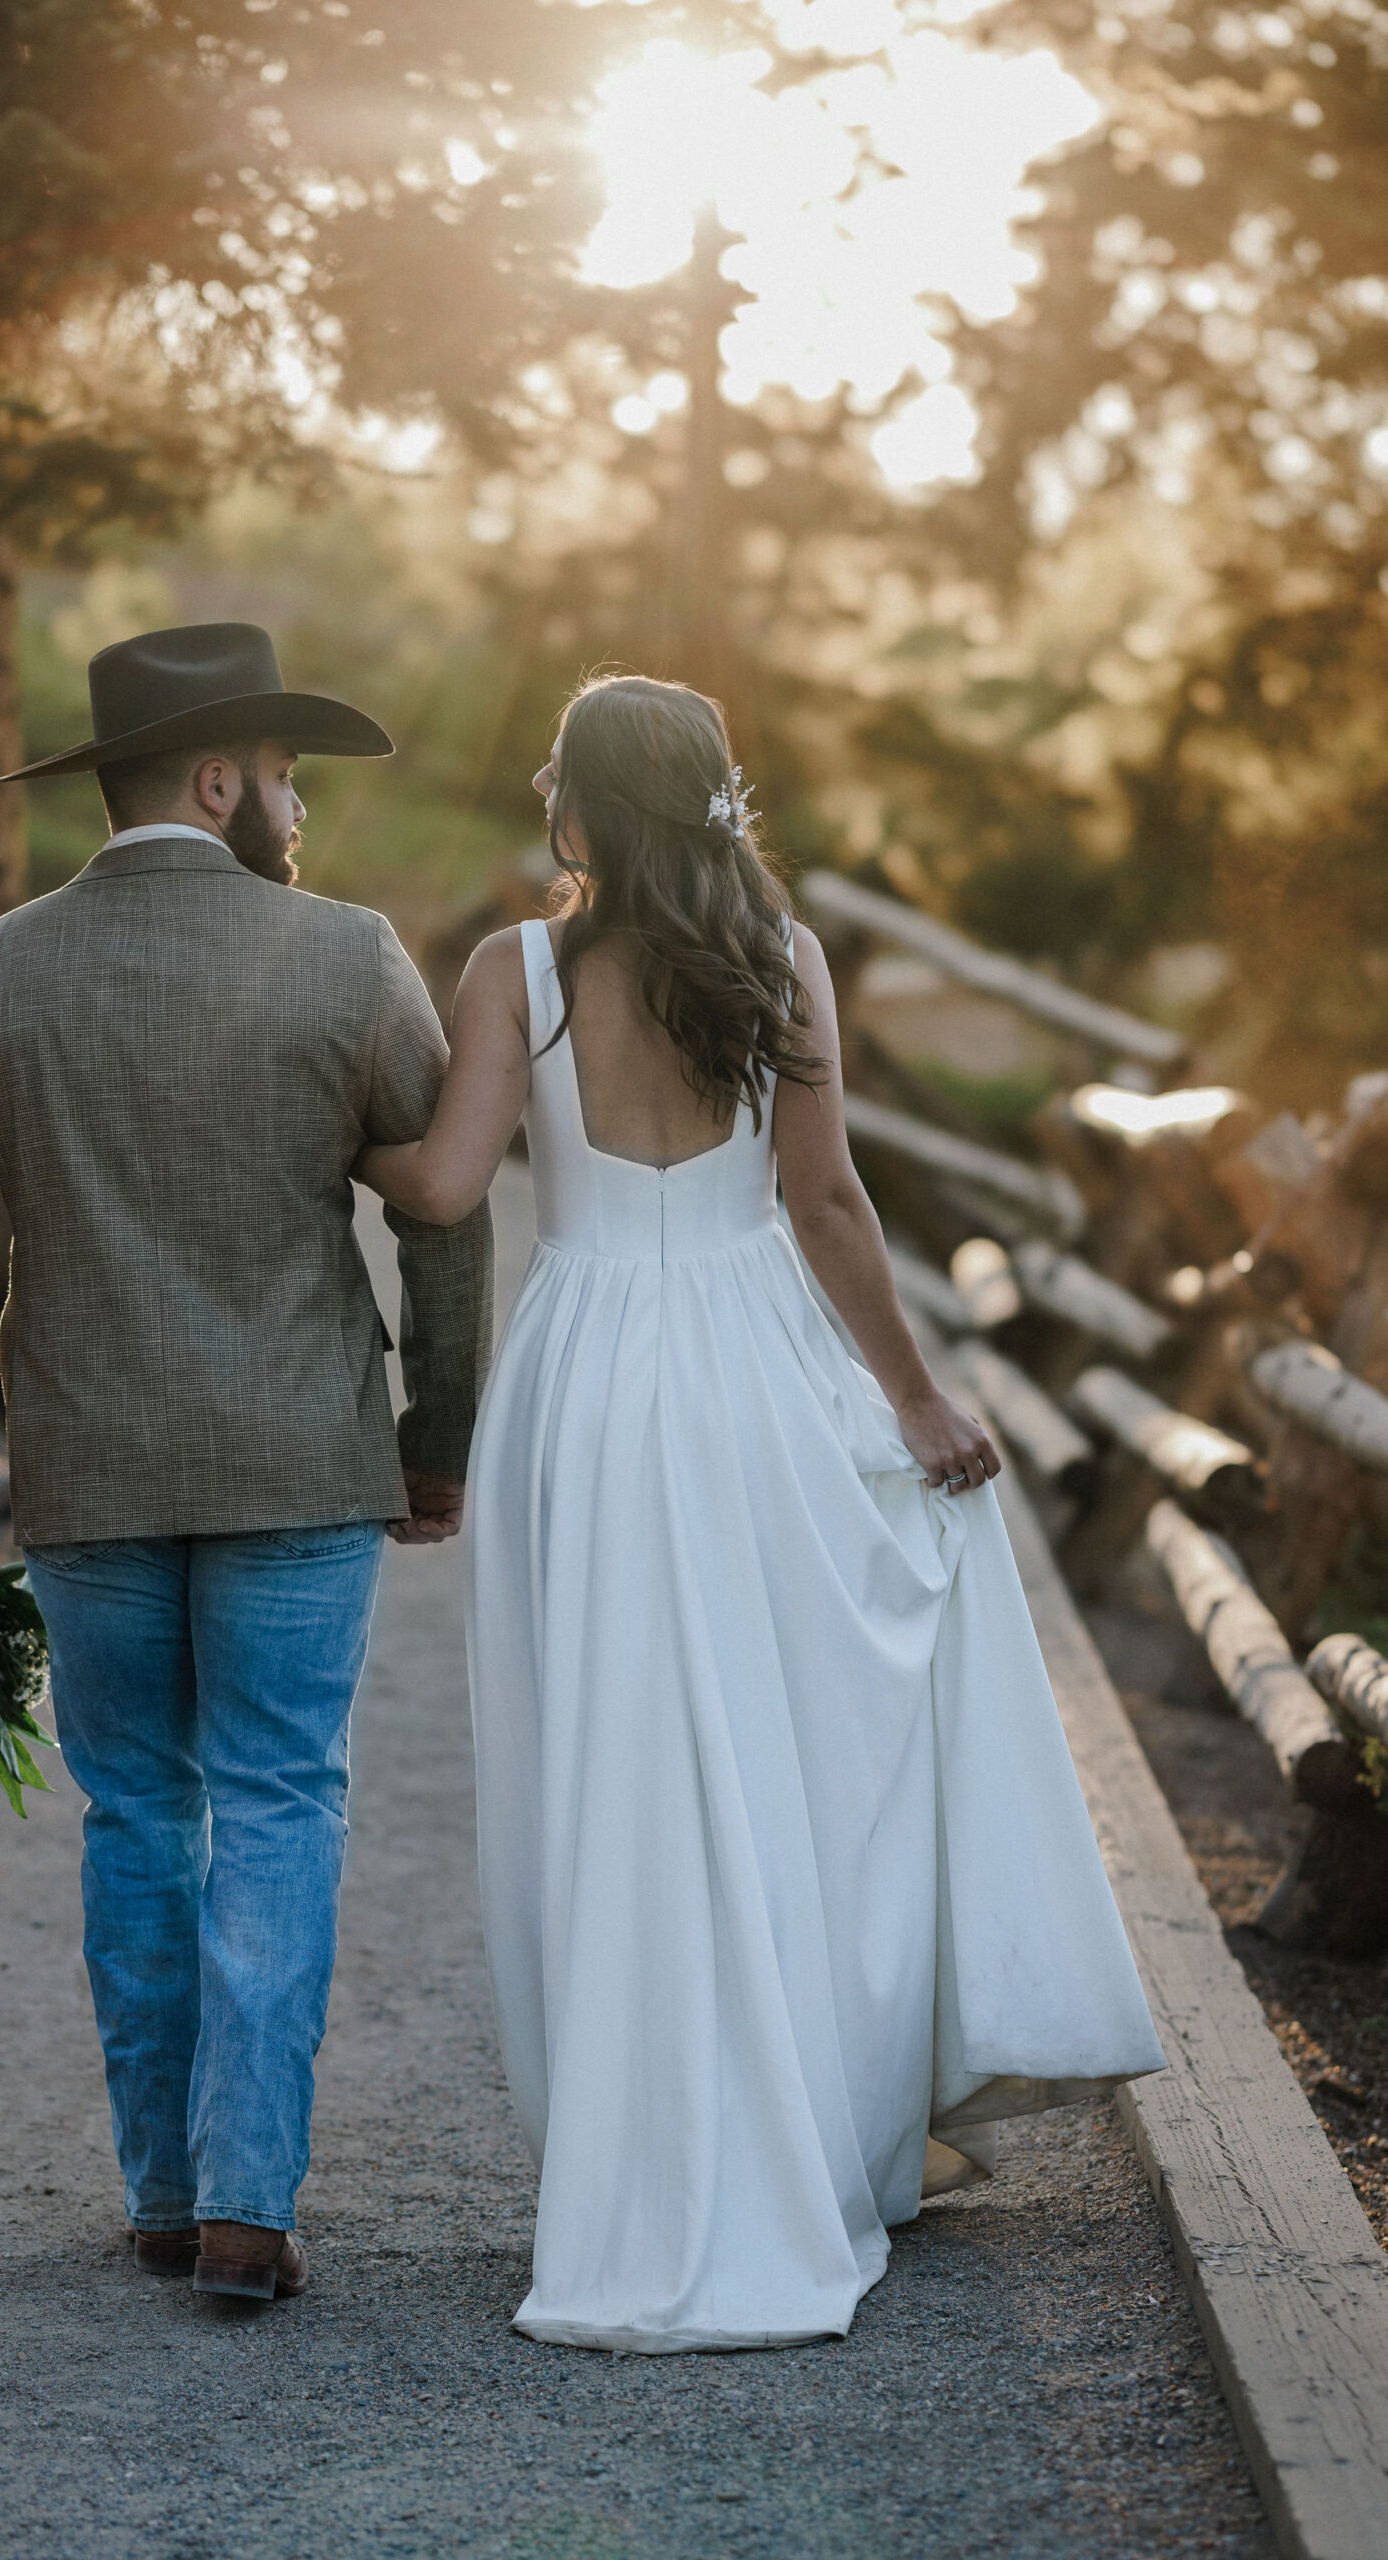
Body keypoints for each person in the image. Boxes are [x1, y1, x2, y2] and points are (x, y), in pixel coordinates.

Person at [353, 671, 1164, 2354]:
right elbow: (825, 1200)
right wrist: (918, 1399)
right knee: (788, 1743)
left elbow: (438, 1186)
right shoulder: (780, 959)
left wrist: (316, 1137)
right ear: (713, 797)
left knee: (607, 1768)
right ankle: (826, 2116)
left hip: (577, 1384)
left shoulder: (513, 968)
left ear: (580, 798)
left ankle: (638, 2147)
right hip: (749, 1376)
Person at [0, 622, 493, 2302]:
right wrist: (439, 1444)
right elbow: (443, 1212)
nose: (294, 804)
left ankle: (158, 2195)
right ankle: (247, 2206)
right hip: (298, 1460)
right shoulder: (351, 957)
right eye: (282, 774)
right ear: (219, 782)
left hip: (90, 1468)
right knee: (281, 1802)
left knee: (137, 1808)